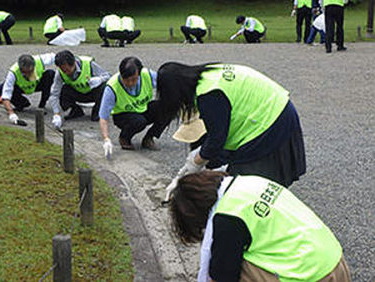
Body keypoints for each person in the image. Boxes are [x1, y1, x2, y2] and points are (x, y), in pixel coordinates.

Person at [169, 170, 352, 282]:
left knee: (235, 265)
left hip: (311, 276)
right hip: (335, 262)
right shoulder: (248, 182)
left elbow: (221, 276)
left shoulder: (227, 217)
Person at [157, 62, 306, 188]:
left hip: (270, 121)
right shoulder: (208, 76)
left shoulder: (208, 94)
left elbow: (216, 140)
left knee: (247, 187)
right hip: (277, 109)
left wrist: (193, 165)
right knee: (236, 174)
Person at [99, 57, 168, 156]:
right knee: (139, 122)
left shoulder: (148, 75)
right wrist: (106, 139)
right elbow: (103, 117)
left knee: (168, 108)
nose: (130, 83)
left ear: (139, 74)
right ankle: (124, 138)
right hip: (123, 115)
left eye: (134, 79)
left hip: (143, 108)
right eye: (126, 80)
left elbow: (166, 85)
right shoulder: (112, 87)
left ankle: (149, 138)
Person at [48, 50, 111, 129]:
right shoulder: (60, 73)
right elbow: (54, 93)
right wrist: (56, 113)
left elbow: (108, 76)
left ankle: (97, 111)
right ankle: (76, 110)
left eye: (67, 70)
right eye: (63, 70)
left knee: (105, 86)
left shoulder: (89, 64)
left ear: (73, 63)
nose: (66, 73)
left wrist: (99, 79)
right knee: (64, 89)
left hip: (93, 93)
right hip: (77, 93)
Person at [0, 53, 55, 125]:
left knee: (50, 74)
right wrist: (11, 113)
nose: (28, 74)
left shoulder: (40, 60)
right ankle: (22, 103)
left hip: (37, 84)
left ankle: (42, 106)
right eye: (25, 72)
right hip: (21, 88)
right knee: (0, 89)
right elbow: (6, 94)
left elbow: (57, 57)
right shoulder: (13, 72)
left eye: (30, 71)